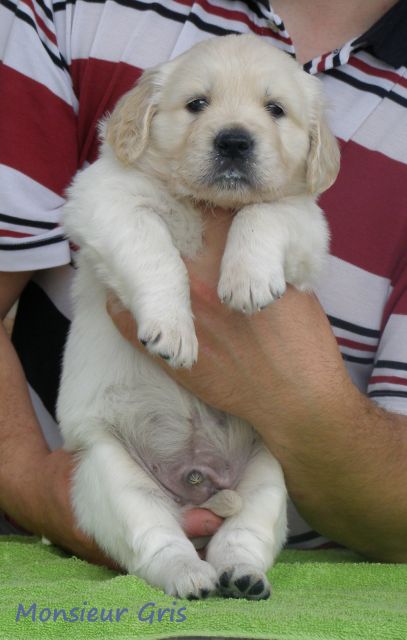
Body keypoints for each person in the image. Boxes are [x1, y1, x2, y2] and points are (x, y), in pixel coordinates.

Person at [0, 0, 406, 566]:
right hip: (87, 486)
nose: (235, 133)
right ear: (144, 118)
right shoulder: (62, 16)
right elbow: (95, 206)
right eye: (196, 105)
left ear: (315, 143)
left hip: (283, 505)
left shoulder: (291, 208)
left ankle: (242, 552)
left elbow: (303, 235)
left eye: (273, 110)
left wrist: (260, 234)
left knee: (263, 482)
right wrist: (28, 483)